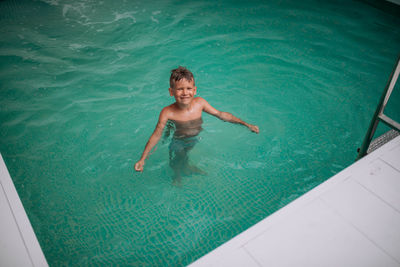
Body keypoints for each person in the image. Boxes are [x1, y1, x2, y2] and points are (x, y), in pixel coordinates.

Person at [134, 66, 259, 182]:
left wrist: (246, 124)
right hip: (178, 141)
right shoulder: (167, 112)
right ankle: (177, 176)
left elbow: (221, 115)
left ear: (194, 90)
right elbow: (156, 135)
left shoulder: (200, 103)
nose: (185, 93)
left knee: (185, 156)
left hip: (193, 139)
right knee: (178, 158)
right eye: (180, 89)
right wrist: (143, 159)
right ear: (171, 91)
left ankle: (187, 167)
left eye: (188, 88)